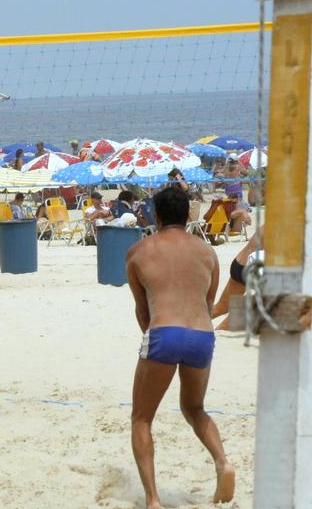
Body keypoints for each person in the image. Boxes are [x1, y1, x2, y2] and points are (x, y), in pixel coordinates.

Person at [126, 187, 235, 509]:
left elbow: (143, 310)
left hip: (164, 332)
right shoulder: (207, 252)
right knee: (195, 409)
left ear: (156, 215)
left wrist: (155, 343)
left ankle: (153, 499)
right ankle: (222, 462)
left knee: (142, 418)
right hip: (202, 335)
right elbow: (208, 304)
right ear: (189, 214)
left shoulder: (138, 251)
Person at [212, 226, 264, 330]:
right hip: (253, 269)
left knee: (220, 307)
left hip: (240, 263)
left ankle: (188, 325)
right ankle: (218, 332)